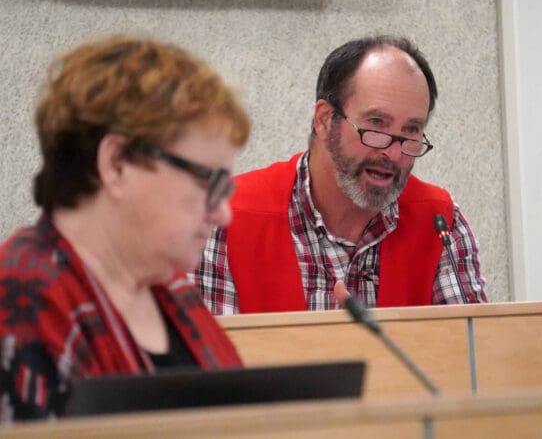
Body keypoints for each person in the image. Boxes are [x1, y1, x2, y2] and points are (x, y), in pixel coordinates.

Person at [0, 35, 250, 421]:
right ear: (116, 163)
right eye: (209, 182)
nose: (223, 214)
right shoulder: (20, 297)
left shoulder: (174, 289)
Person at [190, 35, 487, 315]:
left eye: (410, 130)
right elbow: (209, 363)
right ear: (324, 120)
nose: (393, 154)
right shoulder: (224, 218)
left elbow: (473, 356)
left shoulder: (441, 224)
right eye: (376, 124)